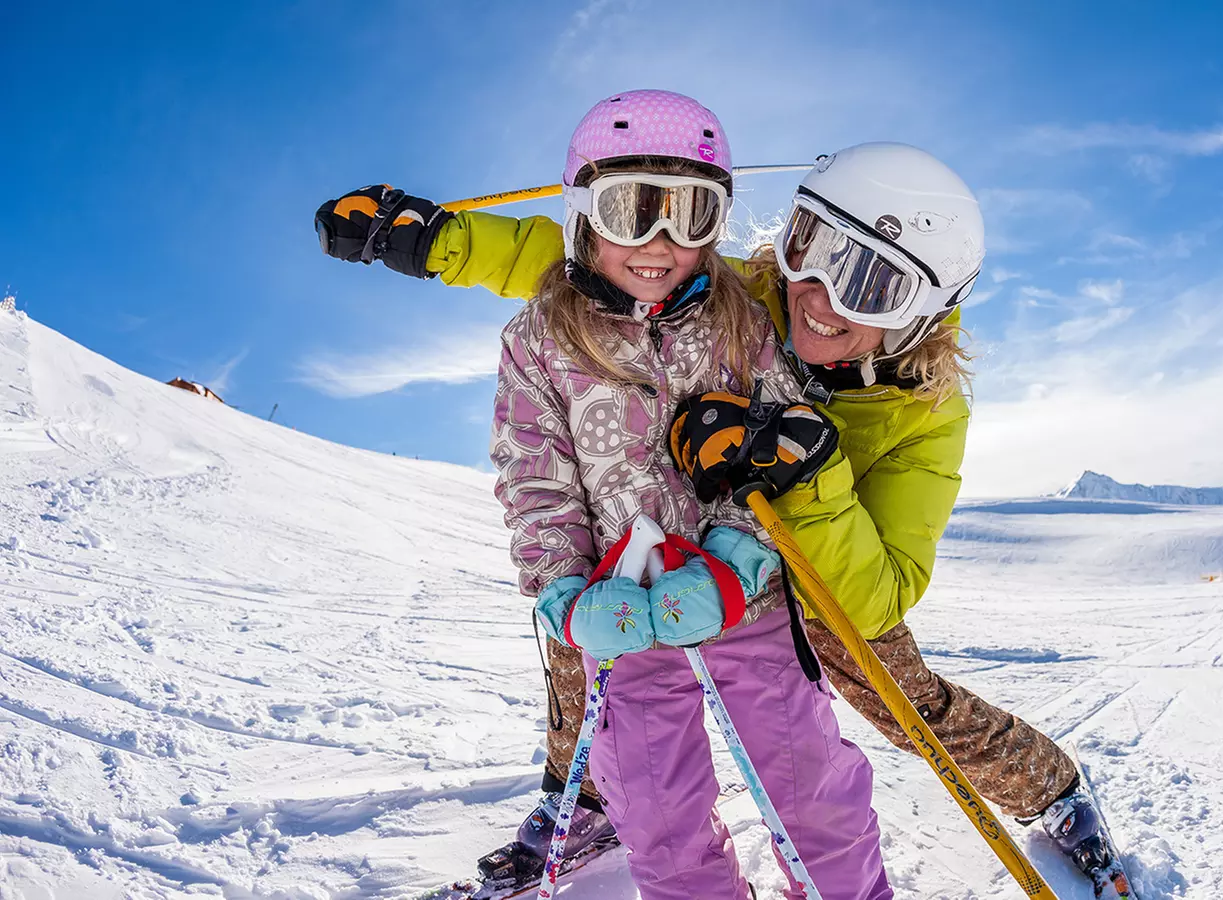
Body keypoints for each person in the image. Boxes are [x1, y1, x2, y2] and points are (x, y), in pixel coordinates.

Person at [317, 128, 1117, 889]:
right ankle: (589, 799)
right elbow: (591, 262)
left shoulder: (925, 412)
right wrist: (437, 241)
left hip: (823, 568)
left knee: (895, 690)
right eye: (816, 249)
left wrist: (808, 476)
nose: (822, 297)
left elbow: (882, 596)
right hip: (696, 533)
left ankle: (1050, 788)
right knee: (585, 633)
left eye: (872, 285)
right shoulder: (741, 294)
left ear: (925, 312)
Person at [317, 90, 891, 900]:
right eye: (631, 210)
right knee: (658, 815)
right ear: (584, 215)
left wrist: (732, 559)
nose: (659, 243)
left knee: (810, 792)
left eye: (691, 216)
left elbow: (776, 446)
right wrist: (561, 588)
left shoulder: (742, 322)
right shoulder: (539, 339)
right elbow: (535, 477)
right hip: (616, 610)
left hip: (747, 605)